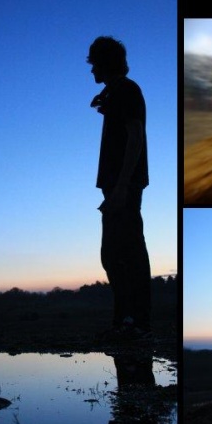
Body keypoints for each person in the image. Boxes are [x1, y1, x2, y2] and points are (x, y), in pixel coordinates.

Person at [87, 36, 152, 341]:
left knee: (124, 251)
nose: (91, 71)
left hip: (123, 185)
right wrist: (105, 100)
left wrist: (123, 186)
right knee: (115, 252)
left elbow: (136, 136)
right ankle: (125, 321)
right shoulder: (118, 92)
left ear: (104, 64)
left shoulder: (127, 90)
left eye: (94, 64)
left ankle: (134, 323)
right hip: (116, 185)